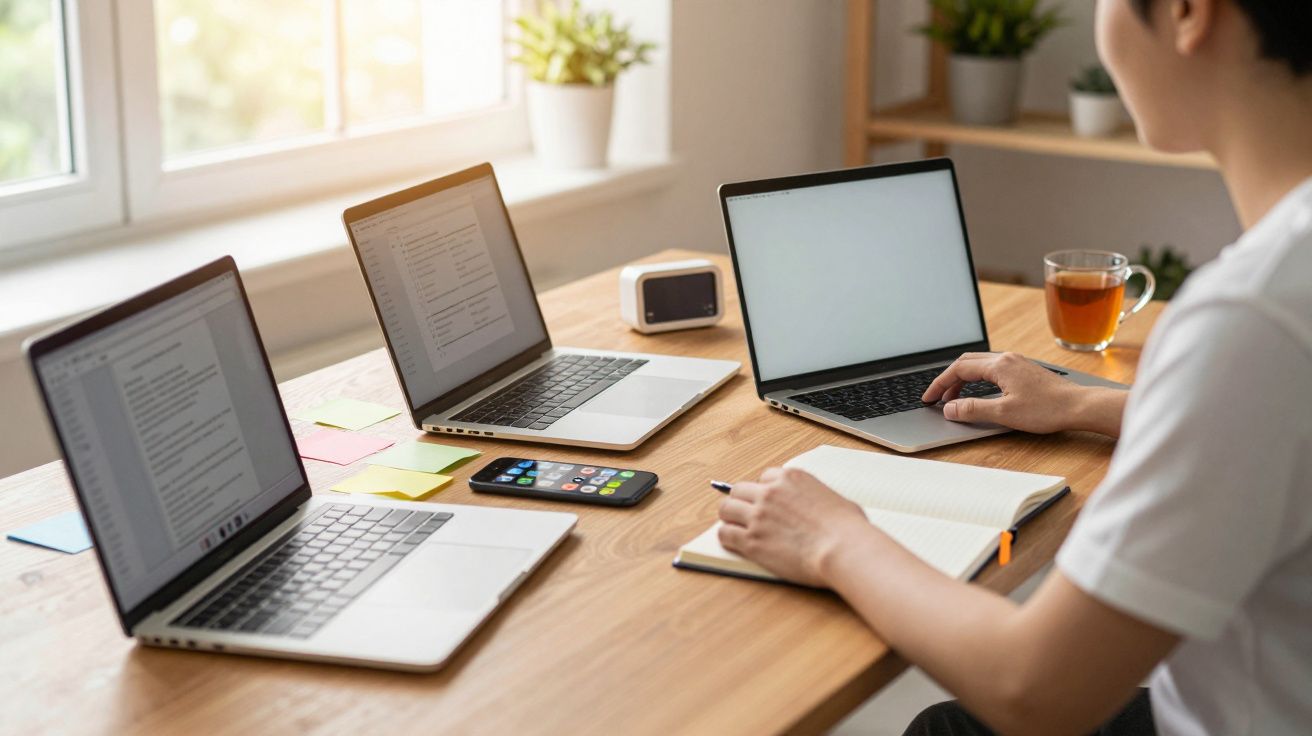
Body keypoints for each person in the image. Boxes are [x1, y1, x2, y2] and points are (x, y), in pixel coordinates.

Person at [716, 1, 1312, 734]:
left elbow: (1033, 690)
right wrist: (1077, 405)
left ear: (1190, 13)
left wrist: (833, 537)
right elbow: (1276, 421)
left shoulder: (1256, 316)